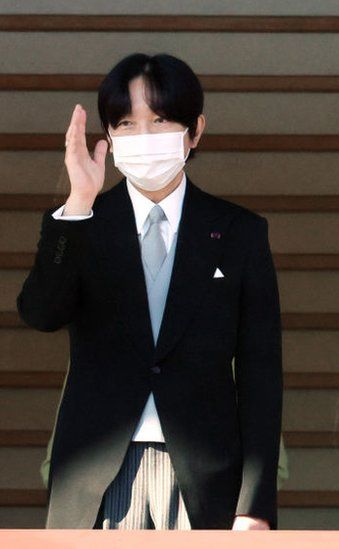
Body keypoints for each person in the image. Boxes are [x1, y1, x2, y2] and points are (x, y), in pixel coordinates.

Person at [17, 53, 282, 530]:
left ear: (195, 130)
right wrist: (79, 202)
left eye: (160, 121)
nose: (143, 138)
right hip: (97, 472)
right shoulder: (81, 224)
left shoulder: (239, 232)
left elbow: (262, 374)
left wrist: (255, 504)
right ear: (109, 137)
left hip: (205, 474)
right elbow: (40, 312)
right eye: (126, 123)